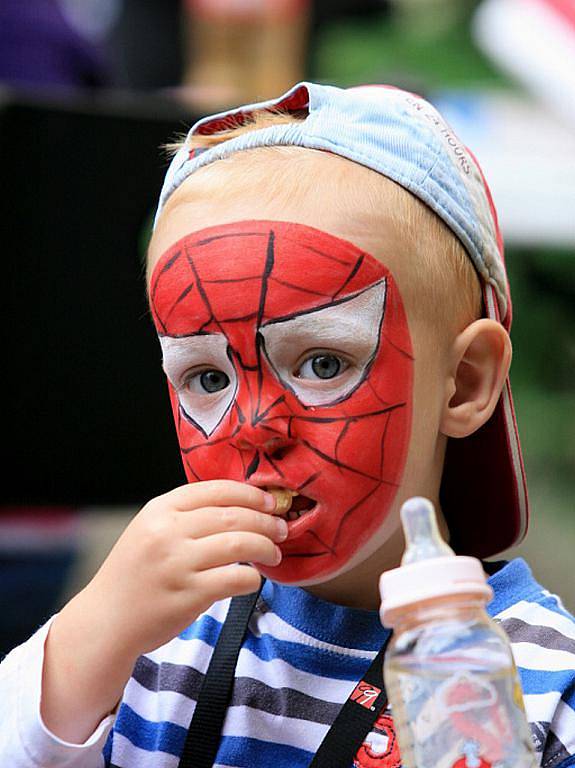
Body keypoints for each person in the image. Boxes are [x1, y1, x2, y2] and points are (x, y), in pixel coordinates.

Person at [1, 82, 574, 768]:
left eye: (323, 361)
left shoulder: (540, 687)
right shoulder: (139, 650)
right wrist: (82, 646)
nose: (255, 427)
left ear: (466, 381)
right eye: (208, 378)